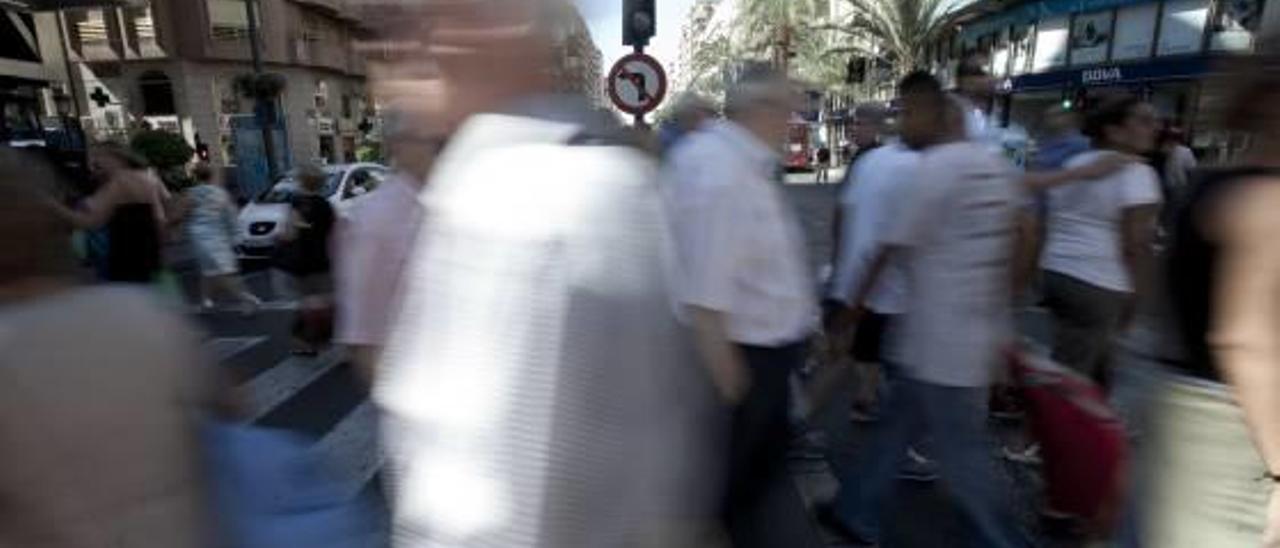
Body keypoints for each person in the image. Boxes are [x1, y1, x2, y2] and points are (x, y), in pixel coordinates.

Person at [369, 2, 720, 545]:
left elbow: (512, 511)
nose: (384, 55)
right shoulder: (484, 192)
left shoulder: (534, 208)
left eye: (405, 23)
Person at [818, 72, 1028, 548]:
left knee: (963, 456)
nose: (903, 123)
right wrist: (1003, 314)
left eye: (909, 113)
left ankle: (1000, 539)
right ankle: (855, 511)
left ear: (938, 116)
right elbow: (1022, 237)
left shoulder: (935, 169)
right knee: (894, 430)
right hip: (961, 336)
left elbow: (887, 249)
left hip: (937, 340)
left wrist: (851, 312)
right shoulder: (994, 167)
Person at [0, 147, 211, 547]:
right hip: (149, 266)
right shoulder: (149, 179)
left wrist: (46, 206)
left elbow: (87, 220)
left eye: (99, 159)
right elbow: (165, 219)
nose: (94, 166)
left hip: (127, 262)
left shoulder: (118, 185)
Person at [666, 66, 816, 546]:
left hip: (760, 362)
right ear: (760, 108)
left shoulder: (738, 163)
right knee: (731, 500)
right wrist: (735, 393)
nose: (794, 120)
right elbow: (705, 300)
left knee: (746, 497)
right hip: (742, 364)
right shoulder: (721, 172)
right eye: (788, 108)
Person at [1154, 48, 1280, 548]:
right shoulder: (1266, 201)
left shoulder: (1213, 185)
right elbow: (1244, 340)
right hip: (1233, 427)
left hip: (1184, 410)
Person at [1039, 96, 1162, 390]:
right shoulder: (1138, 173)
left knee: (1086, 364)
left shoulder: (1074, 164)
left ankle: (1085, 428)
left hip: (1057, 271)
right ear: (1114, 130)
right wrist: (1138, 296)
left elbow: (1050, 218)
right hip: (1098, 281)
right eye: (1144, 121)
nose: (1155, 128)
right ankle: (1048, 433)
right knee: (1073, 379)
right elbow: (1136, 243)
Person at [55, 143, 170, 283]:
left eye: (99, 157)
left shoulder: (121, 181)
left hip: (125, 258)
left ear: (115, 158)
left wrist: (50, 205)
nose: (94, 163)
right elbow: (162, 211)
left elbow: (89, 220)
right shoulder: (147, 176)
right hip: (144, 256)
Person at [275, 162, 337, 355]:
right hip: (324, 261)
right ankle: (335, 341)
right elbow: (335, 232)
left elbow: (291, 234)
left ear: (302, 182)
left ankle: (305, 343)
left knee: (308, 304)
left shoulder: (298, 203)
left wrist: (279, 236)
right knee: (327, 302)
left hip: (303, 262)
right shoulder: (327, 205)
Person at [186, 163, 260, 312]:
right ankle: (206, 301)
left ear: (195, 176)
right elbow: (232, 216)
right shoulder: (221, 193)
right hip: (219, 237)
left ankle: (246, 298)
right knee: (214, 270)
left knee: (215, 271)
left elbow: (181, 213)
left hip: (201, 238)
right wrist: (237, 237)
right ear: (211, 175)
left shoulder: (192, 193)